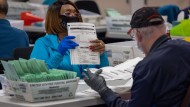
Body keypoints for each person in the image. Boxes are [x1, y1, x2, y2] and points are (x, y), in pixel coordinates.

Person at [83, 7, 190, 107]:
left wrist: (103, 90)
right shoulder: (186, 47)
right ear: (164, 29)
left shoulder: (146, 68)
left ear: (138, 35)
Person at [30, 0, 109, 78]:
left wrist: (101, 54)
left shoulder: (87, 40)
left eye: (75, 13)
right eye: (68, 13)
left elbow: (104, 72)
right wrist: (59, 54)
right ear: (55, 18)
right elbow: (38, 75)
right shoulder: (43, 43)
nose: (73, 16)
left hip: (89, 88)